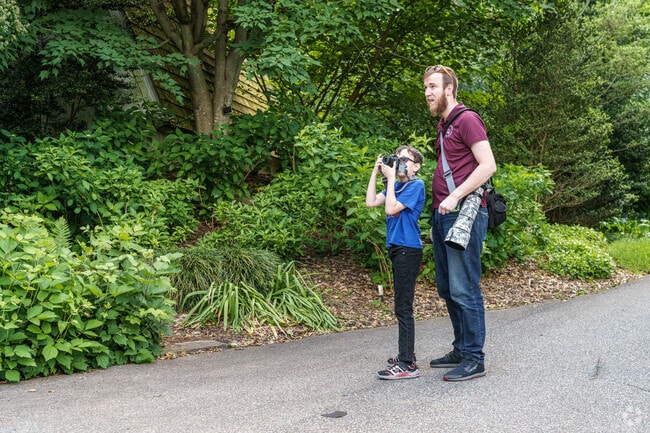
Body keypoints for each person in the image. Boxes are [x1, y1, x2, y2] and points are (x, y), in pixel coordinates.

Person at [424, 64, 497, 381]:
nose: (427, 93)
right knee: (447, 288)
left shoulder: (467, 120)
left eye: (433, 87)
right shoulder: (445, 126)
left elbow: (488, 165)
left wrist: (455, 197)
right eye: (425, 88)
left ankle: (474, 358)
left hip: (464, 215)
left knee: (465, 288)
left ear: (449, 89)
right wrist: (436, 214)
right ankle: (461, 347)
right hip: (443, 217)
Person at [365, 145, 425, 380]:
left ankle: (407, 363)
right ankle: (406, 354)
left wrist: (391, 180)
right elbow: (371, 202)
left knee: (403, 307)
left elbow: (391, 208)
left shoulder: (415, 185)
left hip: (408, 250)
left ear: (416, 166)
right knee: (401, 306)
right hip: (397, 249)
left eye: (404, 159)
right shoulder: (397, 185)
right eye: (396, 159)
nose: (399, 163)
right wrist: (375, 172)